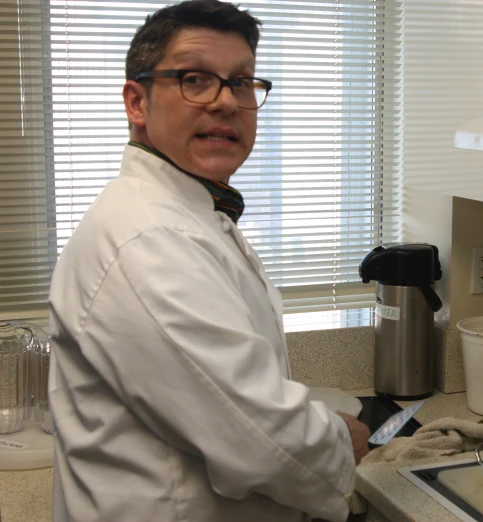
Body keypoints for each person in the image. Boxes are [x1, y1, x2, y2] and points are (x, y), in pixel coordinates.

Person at [47, 1, 370, 520]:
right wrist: (343, 440)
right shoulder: (146, 238)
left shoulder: (191, 212)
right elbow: (260, 440)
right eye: (195, 79)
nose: (225, 102)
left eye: (242, 82)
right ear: (137, 102)